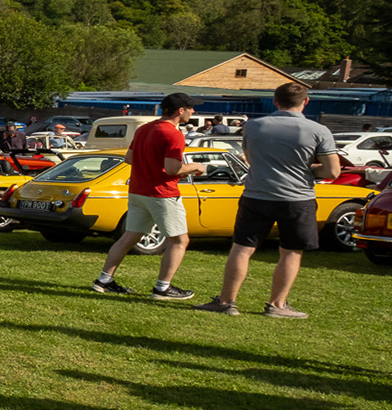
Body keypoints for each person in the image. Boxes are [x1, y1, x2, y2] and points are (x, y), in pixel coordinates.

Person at [195, 84, 339, 317]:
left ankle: (226, 302)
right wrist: (306, 169)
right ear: (306, 101)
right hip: (297, 198)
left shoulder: (253, 126)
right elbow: (332, 171)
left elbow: (251, 160)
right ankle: (277, 305)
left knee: (242, 248)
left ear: (275, 101)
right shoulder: (318, 130)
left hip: (256, 195)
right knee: (291, 251)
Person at [91, 93, 206, 300]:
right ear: (181, 110)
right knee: (179, 241)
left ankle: (104, 280)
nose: (193, 111)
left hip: (138, 191)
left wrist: (150, 167)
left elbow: (129, 158)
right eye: (191, 107)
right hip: (162, 193)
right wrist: (196, 167)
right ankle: (163, 288)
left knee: (129, 237)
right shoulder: (173, 134)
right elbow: (172, 168)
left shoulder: (144, 128)